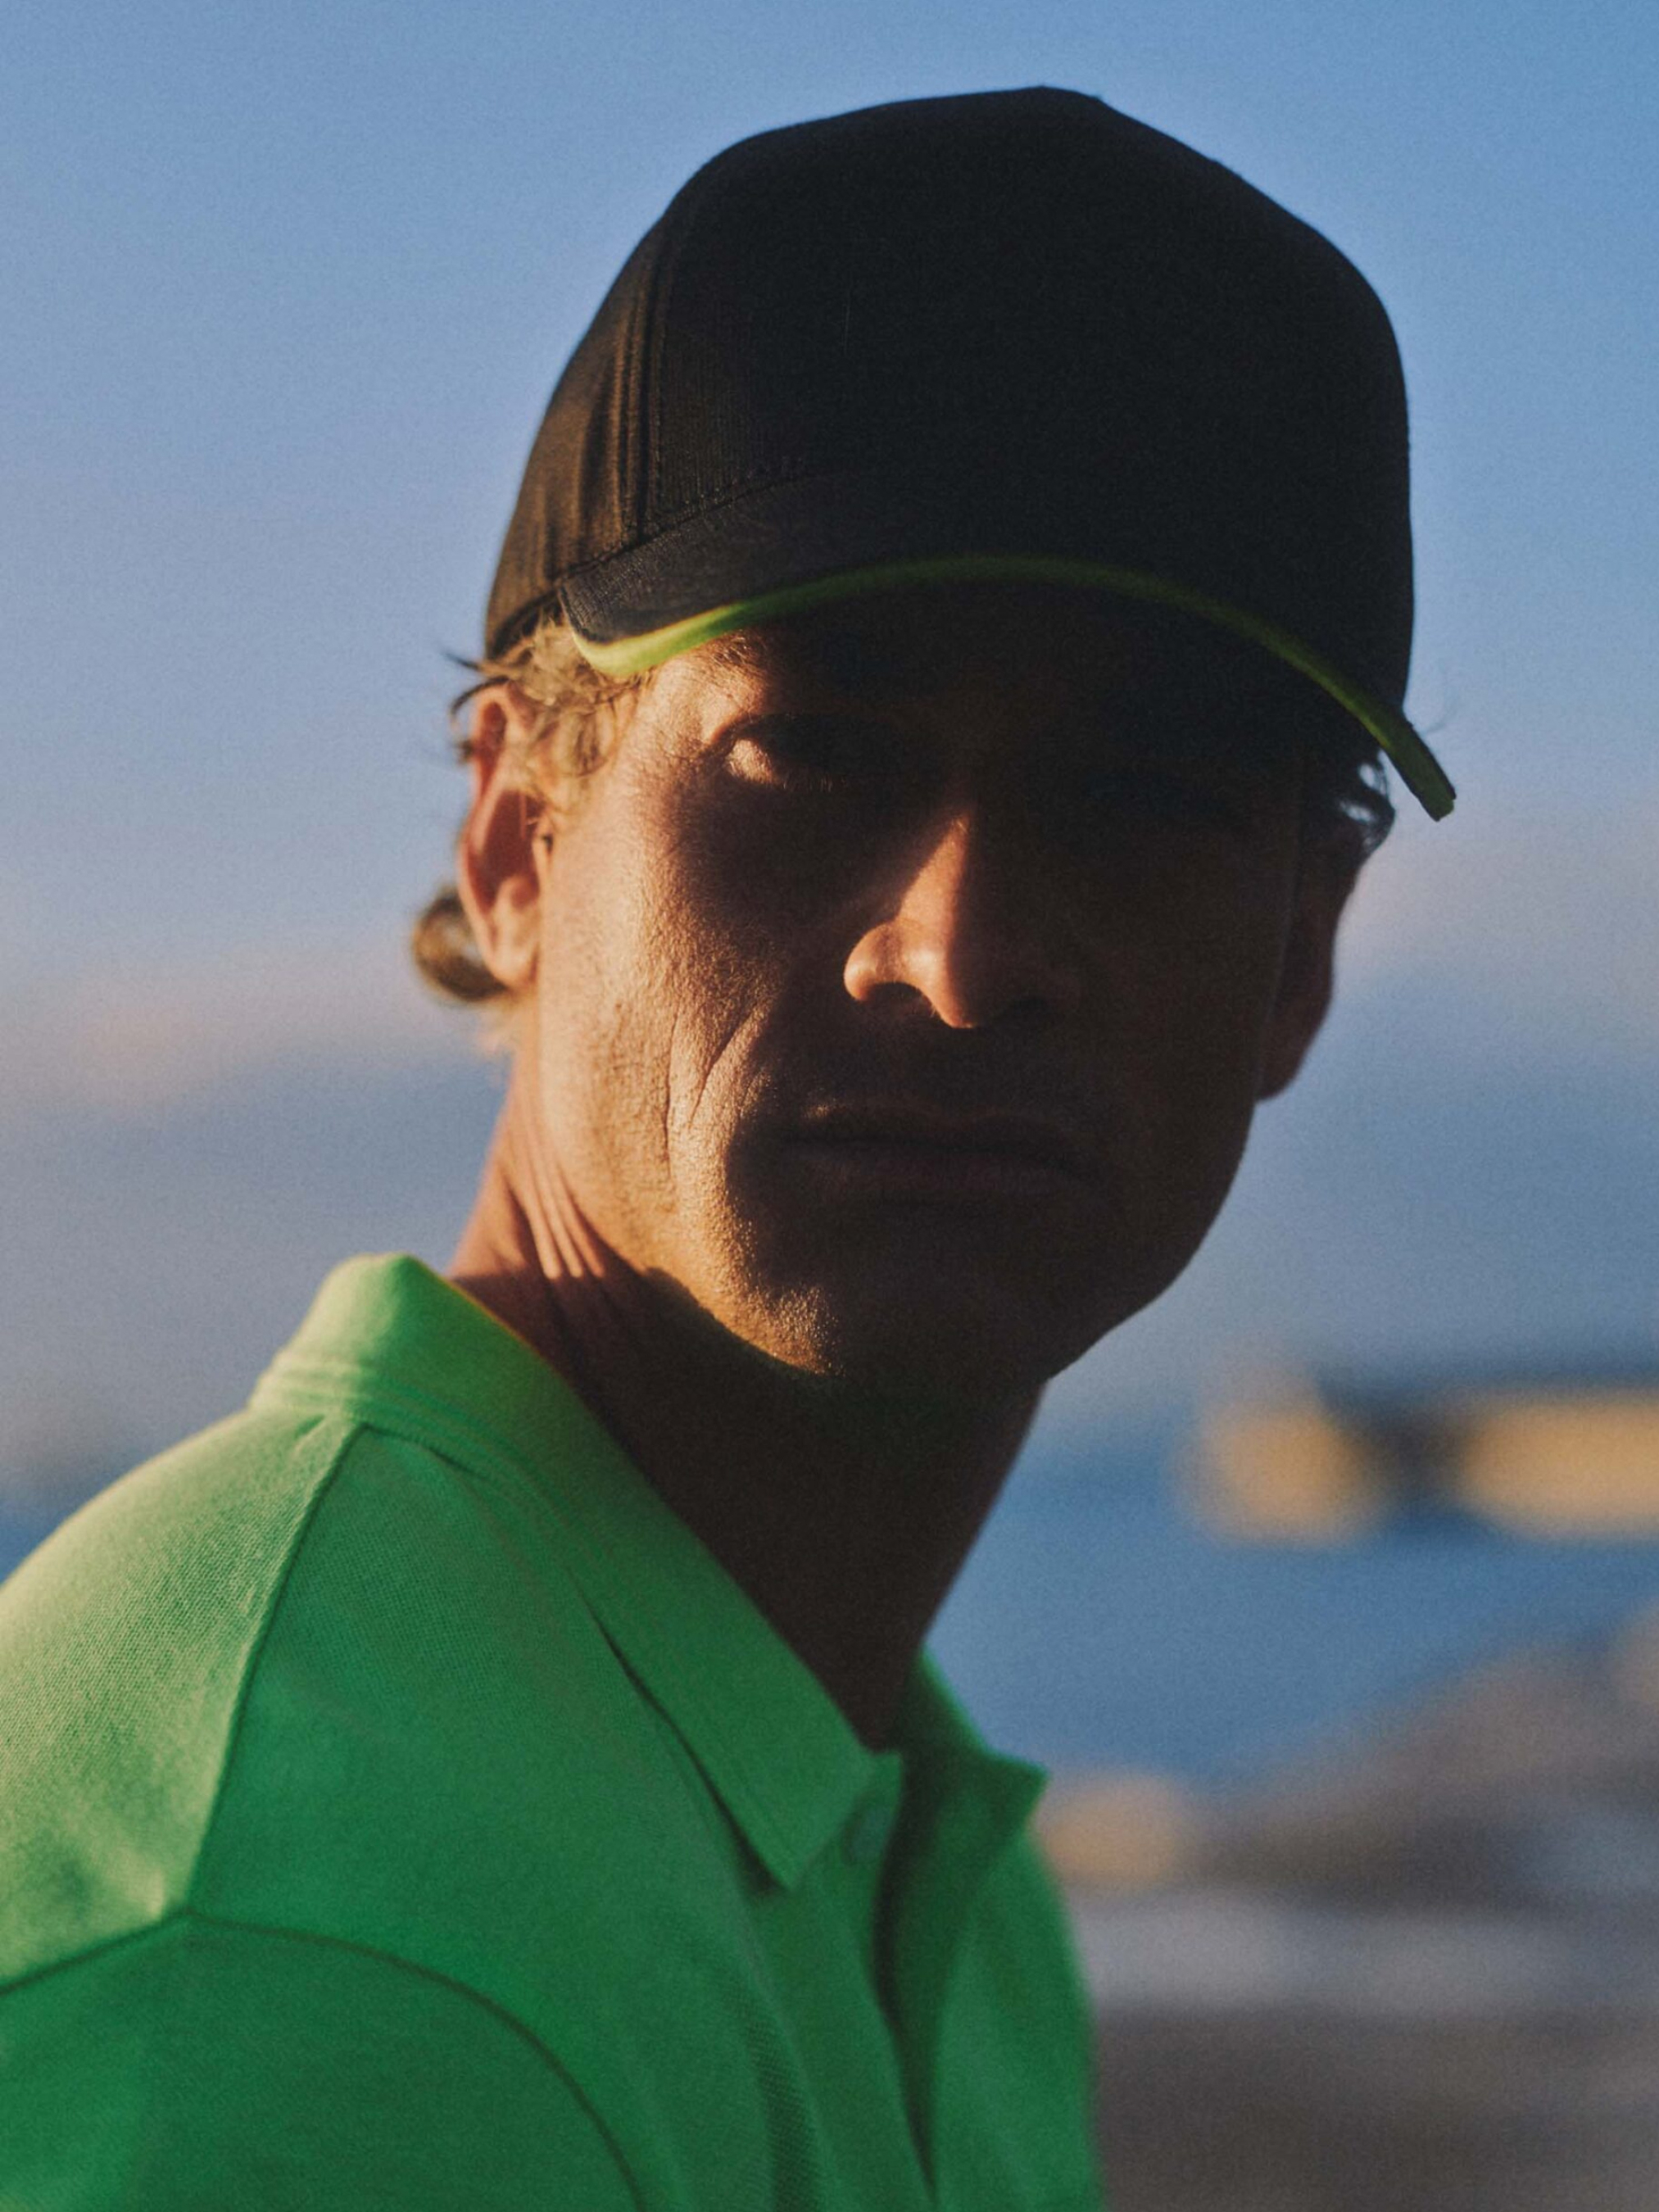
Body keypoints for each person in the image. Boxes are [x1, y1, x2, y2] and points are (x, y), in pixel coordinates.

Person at [0, 85, 1453, 2210]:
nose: (961, 951)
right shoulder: (316, 1946)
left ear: (1300, 957)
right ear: (516, 835)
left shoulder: (910, 1850)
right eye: (812, 750)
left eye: (1144, 795)